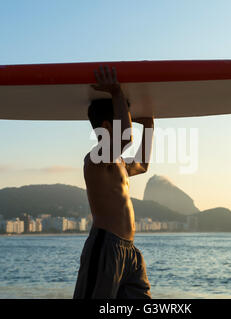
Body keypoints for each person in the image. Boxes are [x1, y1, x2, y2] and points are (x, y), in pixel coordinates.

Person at [73, 65, 154, 299]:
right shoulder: (95, 159)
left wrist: (149, 125)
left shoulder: (116, 162)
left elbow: (142, 165)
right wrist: (116, 92)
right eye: (123, 119)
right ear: (107, 127)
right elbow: (126, 137)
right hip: (105, 247)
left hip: (129, 250)